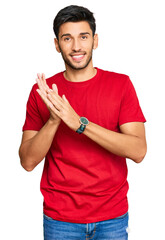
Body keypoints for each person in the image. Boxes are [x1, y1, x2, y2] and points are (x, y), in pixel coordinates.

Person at [19, 5, 147, 240]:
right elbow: (27, 162)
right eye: (67, 38)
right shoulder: (44, 93)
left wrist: (80, 123)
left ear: (95, 41)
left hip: (113, 218)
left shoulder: (121, 85)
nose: (76, 46)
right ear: (57, 44)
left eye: (83, 37)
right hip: (60, 220)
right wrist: (54, 121)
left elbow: (138, 151)